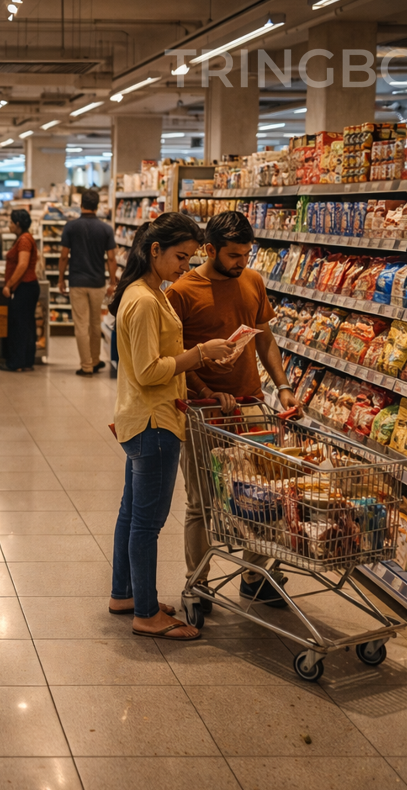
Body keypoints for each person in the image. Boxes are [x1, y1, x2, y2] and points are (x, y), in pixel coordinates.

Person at [109, 212, 239, 640]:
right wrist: (200, 353)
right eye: (180, 257)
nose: (185, 267)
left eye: (190, 258)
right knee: (146, 524)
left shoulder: (146, 291)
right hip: (155, 422)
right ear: (154, 250)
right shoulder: (145, 300)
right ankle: (146, 614)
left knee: (131, 515)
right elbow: (149, 371)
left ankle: (125, 594)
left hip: (142, 416)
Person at [166, 210, 301, 608]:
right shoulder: (181, 291)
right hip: (201, 410)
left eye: (246, 253)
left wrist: (284, 386)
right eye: (234, 255)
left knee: (265, 495)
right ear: (210, 250)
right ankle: (198, 583)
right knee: (201, 501)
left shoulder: (253, 281)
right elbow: (172, 356)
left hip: (251, 403)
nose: (242, 262)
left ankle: (254, 576)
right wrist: (206, 388)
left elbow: (266, 340)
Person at [59, 188, 118, 376]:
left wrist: (61, 279)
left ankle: (86, 366)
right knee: (94, 323)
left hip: (77, 281)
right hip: (98, 282)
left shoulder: (70, 227)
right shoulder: (106, 228)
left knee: (81, 325)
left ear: (81, 205)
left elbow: (63, 256)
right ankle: (95, 360)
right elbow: (111, 258)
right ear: (97, 206)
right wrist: (112, 281)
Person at [0, 208, 41, 372]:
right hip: (28, 286)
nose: (9, 225)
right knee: (27, 325)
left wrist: (9, 285)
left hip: (24, 286)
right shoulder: (25, 238)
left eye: (10, 222)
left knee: (19, 326)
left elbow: (23, 264)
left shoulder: (24, 240)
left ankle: (16, 362)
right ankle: (26, 361)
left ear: (17, 224)